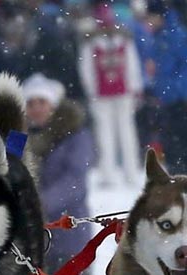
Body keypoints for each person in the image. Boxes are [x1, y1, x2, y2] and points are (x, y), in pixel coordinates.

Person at [22, 74, 102, 275]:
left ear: (54, 106)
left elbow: (73, 182)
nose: (36, 108)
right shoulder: (17, 138)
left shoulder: (75, 136)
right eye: (31, 103)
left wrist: (34, 206)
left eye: (42, 102)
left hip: (69, 242)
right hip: (28, 246)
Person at [78, 3, 144, 184]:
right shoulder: (124, 40)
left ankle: (108, 174)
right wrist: (136, 88)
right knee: (127, 132)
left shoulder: (91, 43)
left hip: (101, 94)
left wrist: (91, 91)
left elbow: (86, 70)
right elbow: (133, 66)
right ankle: (130, 172)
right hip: (123, 91)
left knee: (105, 134)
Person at [143, 0, 187, 176]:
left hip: (178, 98)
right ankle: (179, 177)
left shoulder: (176, 34)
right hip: (166, 97)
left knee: (181, 143)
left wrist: (178, 90)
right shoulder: (159, 36)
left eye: (151, 17)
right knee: (171, 144)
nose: (149, 21)